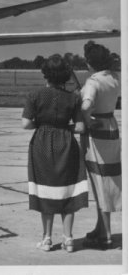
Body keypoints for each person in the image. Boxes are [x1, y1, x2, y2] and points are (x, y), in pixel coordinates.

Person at [22, 54, 87, 252]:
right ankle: (68, 239)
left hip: (42, 143)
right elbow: (81, 127)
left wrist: (40, 124)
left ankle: (47, 239)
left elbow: (25, 124)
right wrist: (64, 129)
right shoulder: (73, 98)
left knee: (45, 190)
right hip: (67, 144)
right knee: (68, 190)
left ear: (45, 75)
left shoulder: (35, 95)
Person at [80, 41, 121, 249]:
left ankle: (105, 234)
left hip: (96, 133)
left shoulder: (93, 81)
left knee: (99, 182)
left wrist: (86, 119)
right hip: (112, 129)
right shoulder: (115, 77)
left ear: (90, 63)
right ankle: (100, 227)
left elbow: (86, 104)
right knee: (109, 179)